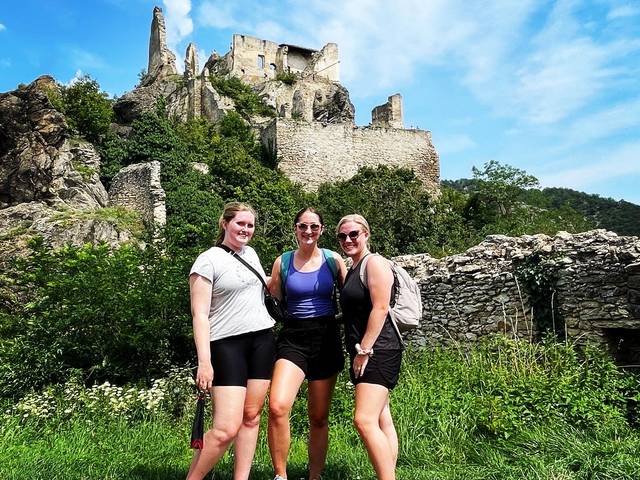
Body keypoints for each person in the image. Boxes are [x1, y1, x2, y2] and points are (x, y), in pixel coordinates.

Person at [187, 202, 276, 480]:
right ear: (225, 223)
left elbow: (262, 287)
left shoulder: (251, 253)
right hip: (227, 345)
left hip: (262, 340)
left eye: (250, 225)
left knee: (251, 417)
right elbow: (199, 315)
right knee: (226, 427)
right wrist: (204, 362)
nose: (245, 230)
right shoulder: (208, 260)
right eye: (240, 223)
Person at [267, 207, 347, 480]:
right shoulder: (283, 261)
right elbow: (271, 298)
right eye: (303, 226)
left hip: (326, 336)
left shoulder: (333, 260)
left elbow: (352, 296)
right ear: (295, 229)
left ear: (322, 230)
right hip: (293, 337)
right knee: (277, 406)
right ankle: (281, 475)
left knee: (319, 416)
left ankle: (315, 476)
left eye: (314, 227)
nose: (308, 232)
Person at [336, 214, 403, 480]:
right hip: (368, 349)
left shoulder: (374, 263)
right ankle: (389, 473)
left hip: (378, 349)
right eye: (342, 236)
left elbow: (381, 307)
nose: (348, 240)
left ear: (366, 234)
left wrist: (364, 350)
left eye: (354, 234)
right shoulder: (353, 267)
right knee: (381, 417)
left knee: (363, 420)